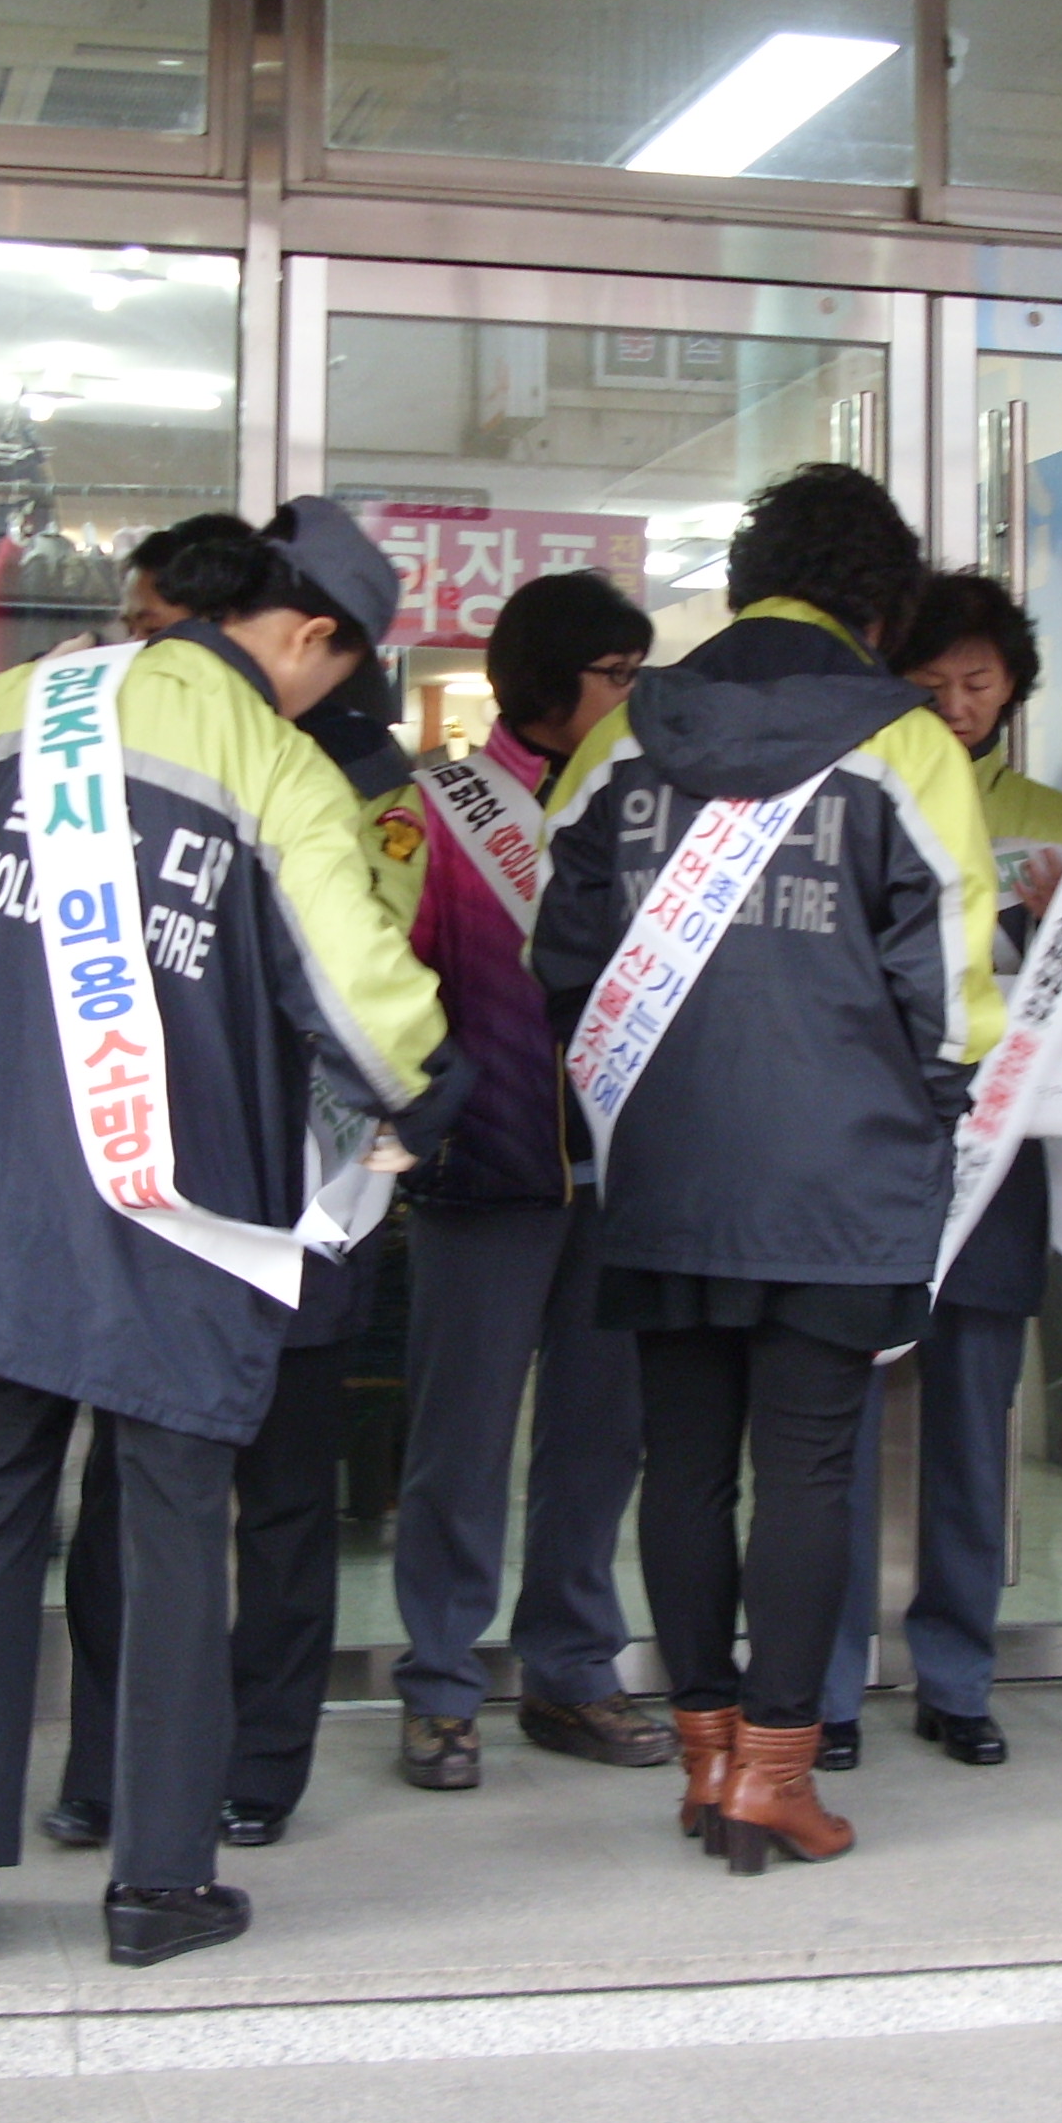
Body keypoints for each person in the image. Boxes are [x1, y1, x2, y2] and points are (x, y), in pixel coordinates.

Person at [0, 499, 465, 1971]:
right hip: (177, 1206)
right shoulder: (279, 768)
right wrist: (433, 1096)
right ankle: (160, 1883)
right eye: (338, 668)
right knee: (181, 1521)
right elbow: (361, 1000)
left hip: (0, 1184)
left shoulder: (38, 701)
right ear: (304, 633)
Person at [534, 465, 1001, 1877]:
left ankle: (705, 1757)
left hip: (664, 1166)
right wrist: (925, 1117)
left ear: (745, 586)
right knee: (807, 1469)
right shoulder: (904, 743)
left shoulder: (624, 735)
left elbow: (559, 954)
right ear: (880, 608)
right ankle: (777, 1778)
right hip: (838, 1177)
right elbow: (956, 996)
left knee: (682, 1465)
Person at [44, 512, 416, 1854]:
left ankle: (261, 1761)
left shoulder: (366, 776)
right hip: (160, 1166)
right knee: (130, 1489)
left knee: (286, 1495)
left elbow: (372, 967)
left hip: (301, 1174)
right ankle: (110, 1762)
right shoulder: (147, 725)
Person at [390, 571, 670, 1792]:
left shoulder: (651, 806)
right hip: (486, 1174)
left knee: (600, 1447)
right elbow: (386, 984)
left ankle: (571, 1670)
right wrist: (435, 1113)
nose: (634, 698)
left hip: (621, 1181)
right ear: (550, 679)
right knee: (459, 1447)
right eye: (617, 675)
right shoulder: (435, 811)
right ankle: (441, 1688)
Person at [817, 573, 1062, 1773]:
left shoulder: (1052, 815)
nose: (957, 703)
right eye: (931, 683)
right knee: (834, 1433)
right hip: (871, 1153)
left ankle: (959, 1677)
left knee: (976, 1435)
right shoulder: (856, 787)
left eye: (979, 682)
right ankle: (823, 1679)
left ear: (1013, 687)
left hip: (997, 1163)